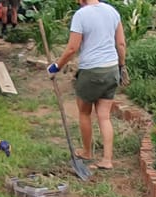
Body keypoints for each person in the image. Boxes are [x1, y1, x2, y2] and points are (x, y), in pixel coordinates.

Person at [47, 0, 125, 171]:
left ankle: (87, 152)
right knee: (104, 116)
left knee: (84, 112)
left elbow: (72, 48)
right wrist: (122, 66)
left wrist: (56, 67)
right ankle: (107, 159)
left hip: (91, 71)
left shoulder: (81, 15)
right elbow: (120, 44)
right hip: (111, 69)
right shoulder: (112, 11)